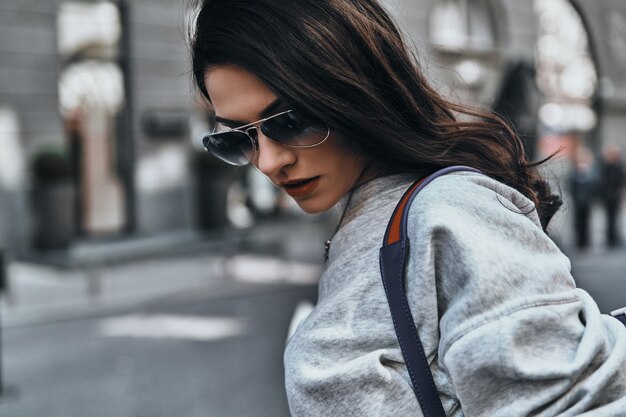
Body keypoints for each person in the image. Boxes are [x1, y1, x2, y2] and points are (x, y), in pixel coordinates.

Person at [188, 0, 626, 415]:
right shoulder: (367, 218)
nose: (268, 161)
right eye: (238, 138)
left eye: (289, 121)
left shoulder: (450, 211)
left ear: (352, 90)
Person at [569, 147, 599, 249]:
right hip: (577, 200)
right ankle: (579, 240)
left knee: (586, 220)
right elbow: (571, 185)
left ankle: (586, 240)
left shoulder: (591, 171)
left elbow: (594, 185)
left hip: (587, 200)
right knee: (578, 221)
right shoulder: (574, 171)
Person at [600, 145, 624, 248]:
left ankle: (615, 237)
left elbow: (622, 181)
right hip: (607, 196)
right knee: (609, 218)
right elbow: (602, 182)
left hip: (616, 195)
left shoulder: (620, 167)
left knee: (616, 217)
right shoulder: (605, 167)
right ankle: (610, 238)